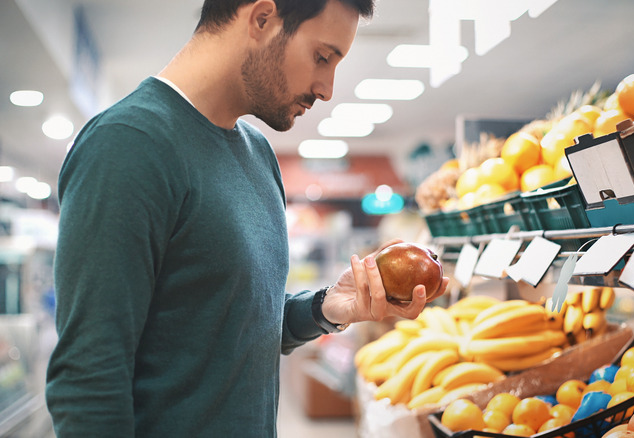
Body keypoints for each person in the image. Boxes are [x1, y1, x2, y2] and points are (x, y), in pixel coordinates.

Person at [45, 0, 449, 436]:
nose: (327, 87)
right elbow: (88, 379)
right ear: (261, 19)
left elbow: (230, 330)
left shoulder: (258, 156)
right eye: (323, 57)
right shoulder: (128, 145)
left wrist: (325, 308)